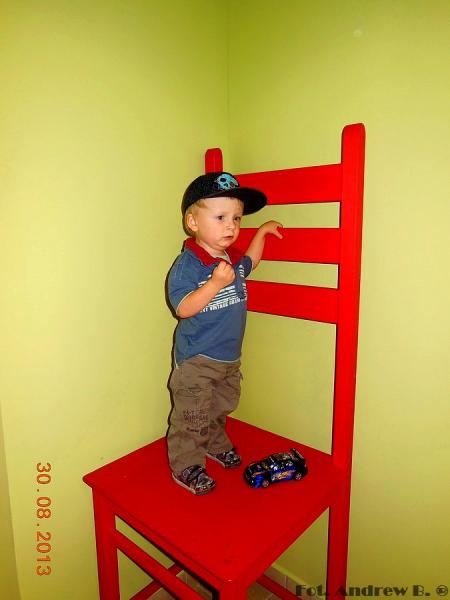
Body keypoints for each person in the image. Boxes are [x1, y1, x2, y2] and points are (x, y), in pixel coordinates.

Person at [167, 171, 282, 495]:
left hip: (229, 358)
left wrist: (262, 232)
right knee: (192, 416)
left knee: (220, 407)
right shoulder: (189, 264)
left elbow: (251, 263)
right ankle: (186, 465)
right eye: (220, 217)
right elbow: (183, 308)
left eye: (237, 218)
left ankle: (214, 444)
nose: (231, 226)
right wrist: (216, 283)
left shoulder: (230, 259)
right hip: (197, 360)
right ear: (193, 222)